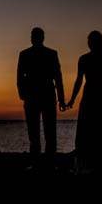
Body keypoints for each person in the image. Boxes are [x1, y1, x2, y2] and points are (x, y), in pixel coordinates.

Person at [66, 30, 102, 173]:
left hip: (98, 93)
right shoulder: (92, 58)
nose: (89, 43)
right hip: (96, 93)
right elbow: (79, 80)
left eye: (90, 40)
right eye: (88, 40)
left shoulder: (98, 58)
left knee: (99, 125)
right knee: (92, 124)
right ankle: (95, 160)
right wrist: (72, 99)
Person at [17, 27, 65, 160]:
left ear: (41, 38)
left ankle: (47, 161)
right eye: (32, 35)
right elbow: (20, 77)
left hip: (44, 96)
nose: (33, 38)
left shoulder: (50, 54)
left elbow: (58, 77)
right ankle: (39, 161)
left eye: (34, 35)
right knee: (35, 133)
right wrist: (22, 94)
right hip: (35, 96)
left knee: (47, 132)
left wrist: (61, 98)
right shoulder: (25, 54)